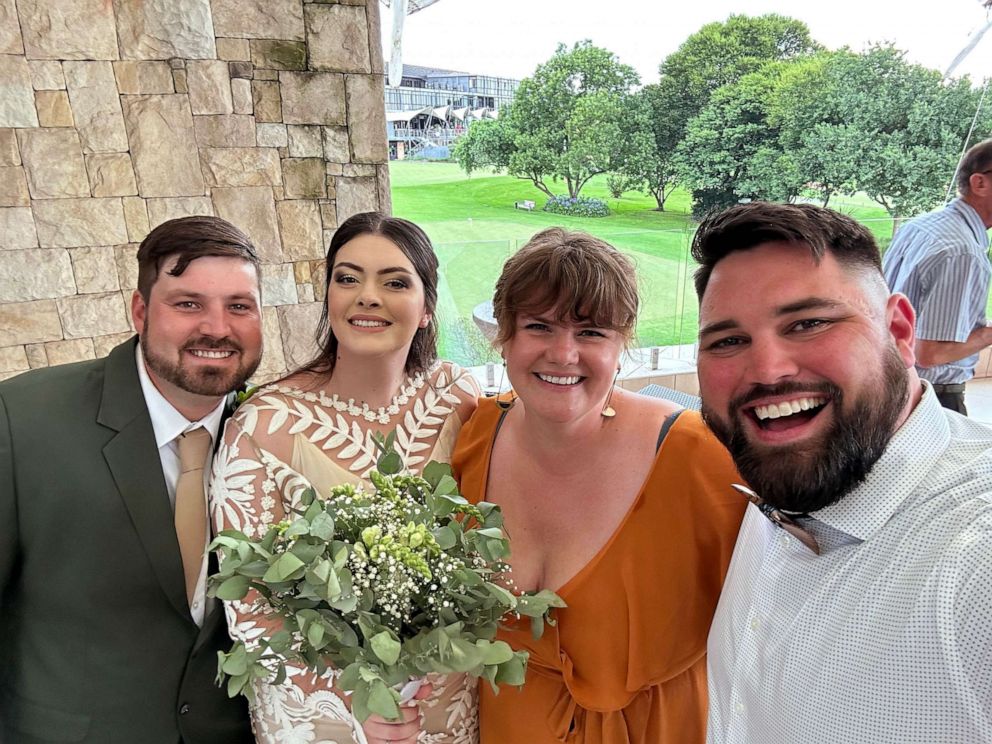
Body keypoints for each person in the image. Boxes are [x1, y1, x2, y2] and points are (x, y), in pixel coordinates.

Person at [693, 201, 992, 744]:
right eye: (728, 341)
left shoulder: (976, 561)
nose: (767, 371)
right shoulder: (788, 478)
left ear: (899, 331)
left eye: (809, 323)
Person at [450, 228, 747, 744]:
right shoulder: (473, 436)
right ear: (505, 336)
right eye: (539, 326)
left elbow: (768, 633)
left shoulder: (700, 461)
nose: (563, 354)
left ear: (622, 342)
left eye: (591, 333)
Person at [210, 212, 480, 744]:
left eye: (395, 282)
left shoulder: (459, 398)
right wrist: (363, 697)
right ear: (329, 295)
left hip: (445, 705)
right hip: (325, 715)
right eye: (348, 277)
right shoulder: (263, 426)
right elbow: (251, 609)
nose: (367, 296)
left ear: (427, 308)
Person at [0, 216, 262, 743]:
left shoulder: (274, 435)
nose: (217, 327)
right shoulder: (21, 420)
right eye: (188, 304)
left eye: (239, 306)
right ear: (140, 311)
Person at [882, 138, 992, 414]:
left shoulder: (922, 225)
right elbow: (930, 354)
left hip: (892, 386)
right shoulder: (962, 252)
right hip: (931, 399)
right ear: (980, 183)